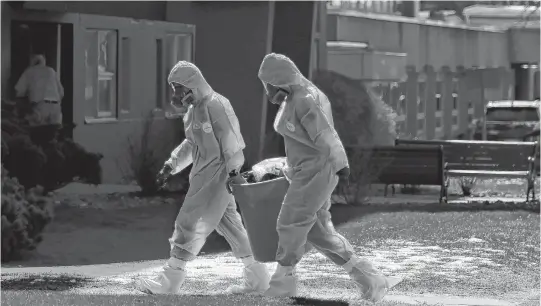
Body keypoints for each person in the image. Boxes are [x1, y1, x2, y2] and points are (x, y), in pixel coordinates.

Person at [257, 53, 402, 302]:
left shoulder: (306, 99)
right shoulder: (293, 98)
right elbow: (300, 141)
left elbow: (325, 135)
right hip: (306, 172)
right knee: (319, 233)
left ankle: (284, 281)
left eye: (269, 84)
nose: (267, 90)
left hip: (316, 173)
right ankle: (371, 280)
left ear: (280, 79)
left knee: (290, 221)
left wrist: (340, 162)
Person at [136, 61, 270, 295]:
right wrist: (172, 164)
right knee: (232, 227)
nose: (176, 94)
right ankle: (258, 278)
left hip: (218, 176)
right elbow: (191, 143)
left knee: (188, 221)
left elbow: (232, 141)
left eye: (179, 88)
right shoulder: (191, 112)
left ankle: (170, 280)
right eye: (174, 88)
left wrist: (233, 172)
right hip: (203, 176)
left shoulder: (217, 105)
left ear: (193, 85)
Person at [15, 54, 64, 143]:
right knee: (53, 139)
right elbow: (61, 92)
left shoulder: (29, 71)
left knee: (38, 138)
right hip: (56, 108)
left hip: (40, 108)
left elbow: (19, 93)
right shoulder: (51, 71)